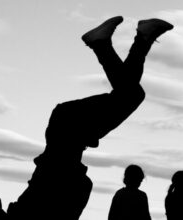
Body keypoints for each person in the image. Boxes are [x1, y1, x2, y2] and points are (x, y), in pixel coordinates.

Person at [10, 16, 173, 220]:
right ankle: (116, 41)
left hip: (67, 126)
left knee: (131, 95)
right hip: (73, 132)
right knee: (131, 94)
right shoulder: (77, 184)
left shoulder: (57, 181)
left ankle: (109, 43)